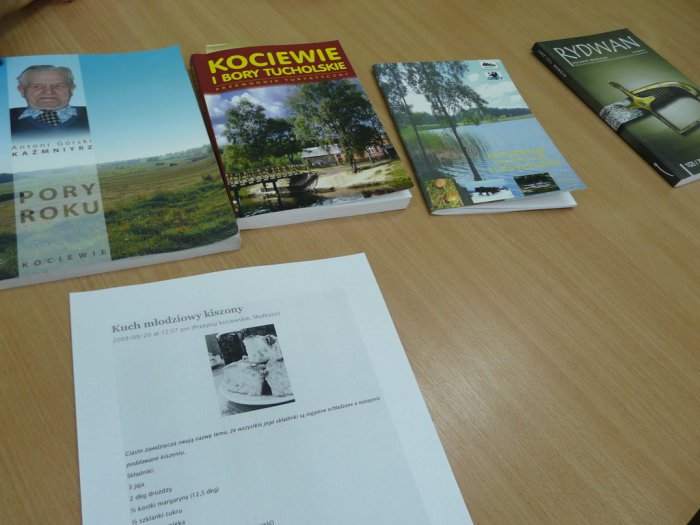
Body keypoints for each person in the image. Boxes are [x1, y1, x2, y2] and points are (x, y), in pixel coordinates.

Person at [10, 64, 89, 136]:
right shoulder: (7, 119)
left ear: (71, 89)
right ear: (22, 90)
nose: (48, 92)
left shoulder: (91, 113)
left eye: (58, 86)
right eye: (37, 86)